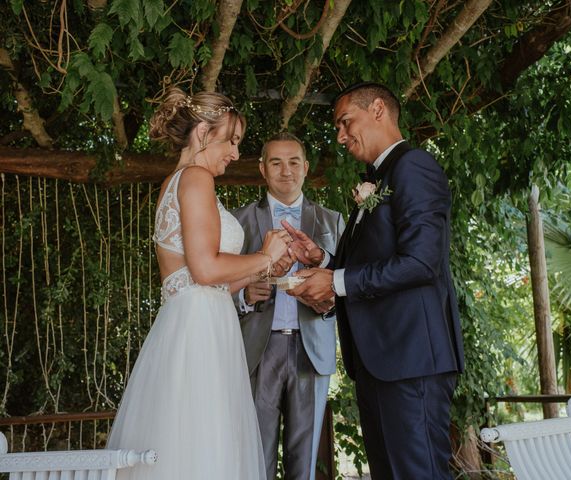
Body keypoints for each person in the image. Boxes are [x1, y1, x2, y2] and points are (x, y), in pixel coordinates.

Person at [107, 88, 293, 480]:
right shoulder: (194, 178)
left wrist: (265, 268)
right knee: (202, 442)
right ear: (204, 133)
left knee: (199, 440)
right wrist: (265, 257)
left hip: (201, 319)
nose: (236, 154)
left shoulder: (178, 182)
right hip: (199, 333)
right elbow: (206, 269)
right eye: (232, 140)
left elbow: (206, 282)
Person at [285, 83, 465, 479]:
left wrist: (335, 282)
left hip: (411, 358)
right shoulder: (379, 177)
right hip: (379, 362)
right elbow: (371, 263)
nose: (340, 136)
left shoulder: (413, 167)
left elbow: (421, 262)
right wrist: (323, 260)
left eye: (345, 122)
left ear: (378, 109)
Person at [232, 132, 345, 480]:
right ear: (263, 169)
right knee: (255, 455)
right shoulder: (239, 221)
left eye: (294, 161)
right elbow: (214, 285)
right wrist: (244, 296)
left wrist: (328, 304)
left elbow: (349, 286)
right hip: (257, 351)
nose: (286, 171)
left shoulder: (333, 221)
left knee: (304, 458)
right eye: (276, 162)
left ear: (306, 168)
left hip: (311, 350)